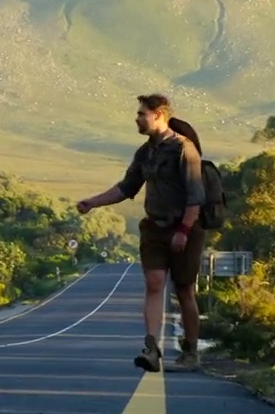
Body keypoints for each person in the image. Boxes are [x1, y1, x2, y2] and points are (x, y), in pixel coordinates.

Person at [76, 93, 207, 373]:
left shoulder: (185, 150)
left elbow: (196, 198)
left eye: (141, 114)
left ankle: (192, 351)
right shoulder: (145, 152)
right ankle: (151, 350)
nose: (136, 118)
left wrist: (183, 231)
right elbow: (126, 188)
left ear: (158, 115)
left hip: (184, 228)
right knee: (154, 284)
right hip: (153, 228)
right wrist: (92, 202)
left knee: (184, 290)